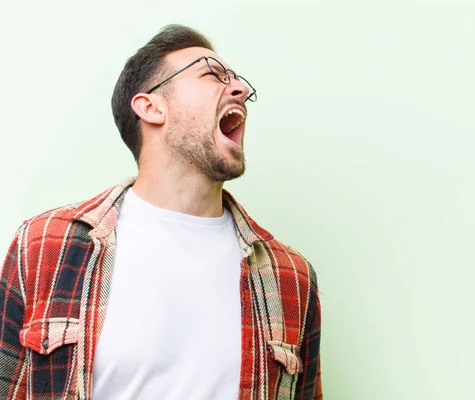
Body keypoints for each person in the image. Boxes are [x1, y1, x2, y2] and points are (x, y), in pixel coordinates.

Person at [0, 24, 322, 400]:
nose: (241, 89)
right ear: (151, 107)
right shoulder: (44, 246)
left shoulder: (291, 277)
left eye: (237, 81)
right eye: (212, 75)